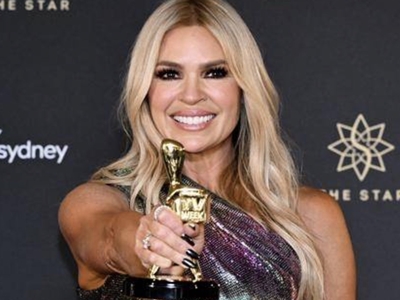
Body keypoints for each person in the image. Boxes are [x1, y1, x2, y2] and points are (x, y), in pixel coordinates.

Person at [58, 0, 356, 299]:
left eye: (214, 73)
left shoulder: (312, 216)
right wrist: (148, 242)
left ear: (243, 87)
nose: (191, 95)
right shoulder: (96, 202)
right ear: (145, 90)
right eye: (169, 74)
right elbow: (109, 237)